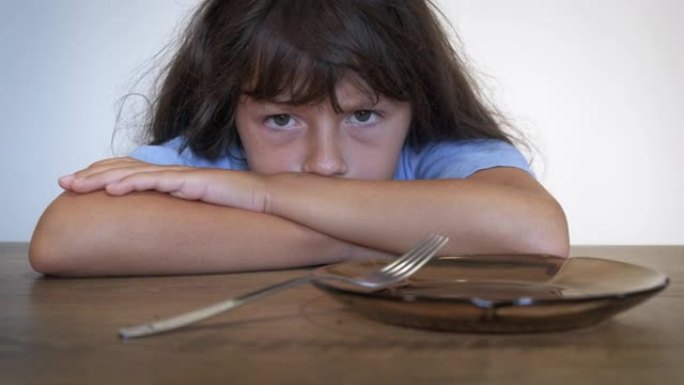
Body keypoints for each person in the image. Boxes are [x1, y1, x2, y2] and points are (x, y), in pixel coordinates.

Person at [29, 0, 569, 276]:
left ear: (417, 101)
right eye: (281, 120)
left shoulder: (437, 149)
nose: (326, 162)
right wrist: (364, 235)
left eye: (364, 117)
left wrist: (267, 197)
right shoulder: (215, 155)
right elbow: (64, 237)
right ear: (228, 106)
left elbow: (536, 233)